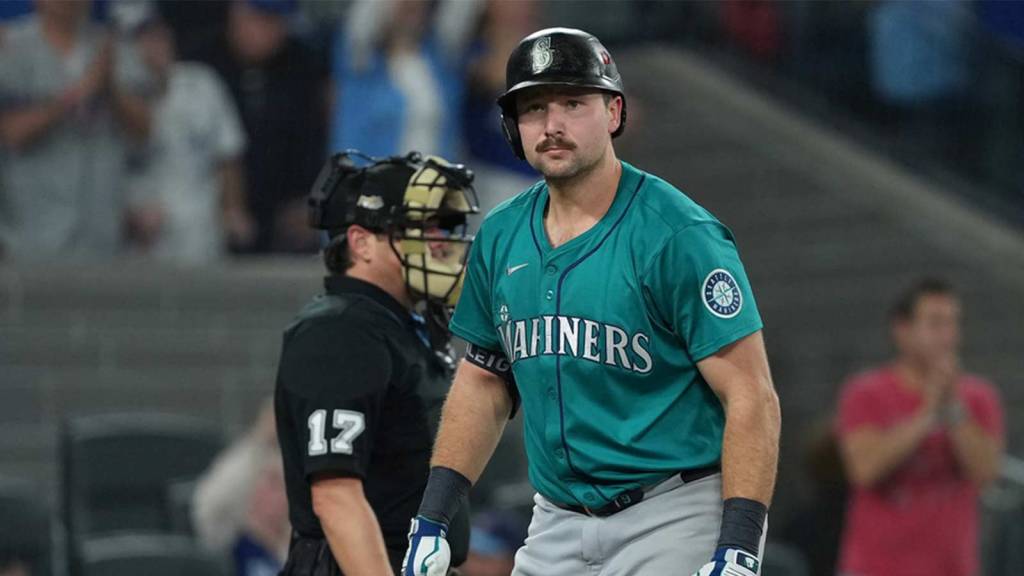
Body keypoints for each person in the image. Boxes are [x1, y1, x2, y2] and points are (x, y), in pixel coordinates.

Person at [403, 28, 781, 576]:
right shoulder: (502, 233)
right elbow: (484, 381)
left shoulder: (678, 235)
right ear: (514, 127)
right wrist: (433, 517)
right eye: (534, 108)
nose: (552, 125)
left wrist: (740, 544)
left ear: (613, 113)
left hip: (673, 513)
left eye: (573, 103)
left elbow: (752, 395)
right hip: (556, 519)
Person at [274, 150, 478, 575]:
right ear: (361, 242)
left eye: (445, 225)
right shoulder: (341, 332)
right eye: (420, 227)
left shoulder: (403, 325)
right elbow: (336, 495)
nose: (440, 240)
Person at [835, 278, 1004, 576]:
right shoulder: (865, 393)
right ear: (902, 329)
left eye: (953, 323)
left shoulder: (979, 397)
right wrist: (927, 414)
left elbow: (986, 472)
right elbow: (865, 469)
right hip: (876, 567)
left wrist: (953, 408)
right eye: (935, 323)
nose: (947, 336)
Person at [0, 0, 150, 259]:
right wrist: (78, 93)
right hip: (32, 230)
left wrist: (110, 86)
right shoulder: (11, 46)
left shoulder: (112, 48)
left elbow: (144, 129)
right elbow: (11, 133)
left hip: (103, 232)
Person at [125, 14, 252, 264]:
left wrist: (233, 209)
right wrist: (125, 214)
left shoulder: (201, 83)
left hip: (200, 235)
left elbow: (228, 154)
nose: (153, 47)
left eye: (158, 37)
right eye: (142, 39)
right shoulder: (113, 97)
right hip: (138, 246)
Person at [192, 400, 290, 576]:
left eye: (280, 487)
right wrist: (260, 440)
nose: (272, 495)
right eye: (269, 484)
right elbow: (209, 508)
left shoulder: (300, 552)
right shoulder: (232, 547)